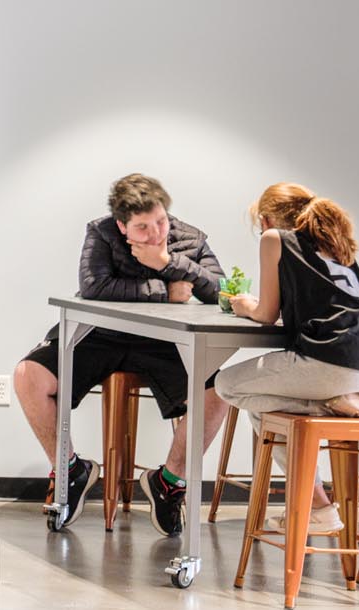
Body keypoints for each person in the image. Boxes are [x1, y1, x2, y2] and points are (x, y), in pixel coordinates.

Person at [15, 172, 227, 535]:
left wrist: (166, 262)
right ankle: (70, 471)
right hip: (101, 336)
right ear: (122, 226)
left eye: (160, 221)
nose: (156, 233)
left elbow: (220, 291)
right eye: (142, 228)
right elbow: (95, 285)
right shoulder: (100, 232)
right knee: (27, 377)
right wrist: (164, 290)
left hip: (165, 342)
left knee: (218, 392)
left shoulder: (191, 237)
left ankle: (169, 483)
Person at [199, 183, 359, 463]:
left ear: (266, 221)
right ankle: (319, 507)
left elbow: (266, 313)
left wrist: (244, 306)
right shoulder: (334, 244)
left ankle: (329, 405)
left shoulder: (274, 238)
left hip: (332, 364)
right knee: (262, 411)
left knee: (226, 385)